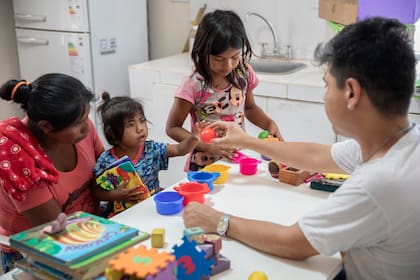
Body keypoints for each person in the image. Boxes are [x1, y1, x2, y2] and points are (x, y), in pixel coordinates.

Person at [182, 17, 420, 279]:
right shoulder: (402, 143)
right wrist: (246, 140)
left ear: (351, 92)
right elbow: (316, 155)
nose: (324, 96)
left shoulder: (375, 185)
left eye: (327, 85)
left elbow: (292, 242)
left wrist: (218, 221)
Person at [0, 73, 104, 272]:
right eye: (77, 124)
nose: (86, 127)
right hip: (38, 248)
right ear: (46, 127)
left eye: (86, 118)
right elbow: (57, 231)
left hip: (86, 232)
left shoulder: (82, 127)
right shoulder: (20, 160)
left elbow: (105, 173)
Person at [166, 9, 283, 171]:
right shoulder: (193, 84)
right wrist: (205, 146)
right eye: (218, 59)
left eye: (235, 57)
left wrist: (269, 124)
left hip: (237, 158)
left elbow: (250, 108)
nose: (228, 66)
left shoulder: (243, 73)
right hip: (205, 164)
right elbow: (172, 128)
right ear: (202, 51)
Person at [92, 93, 199, 217]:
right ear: (113, 135)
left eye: (142, 121)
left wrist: (194, 139)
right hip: (122, 216)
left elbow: (178, 150)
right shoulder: (106, 160)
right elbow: (95, 191)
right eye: (131, 125)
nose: (140, 128)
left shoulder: (151, 149)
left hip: (152, 210)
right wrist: (115, 195)